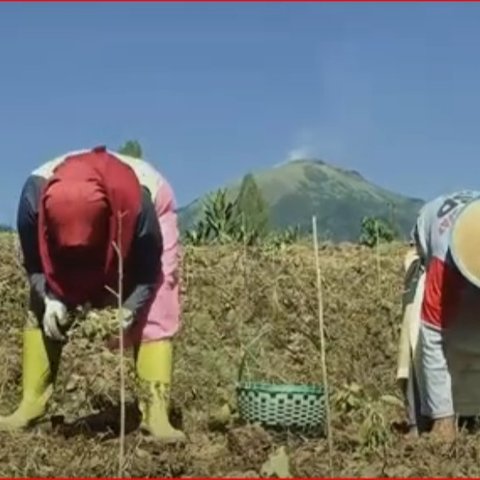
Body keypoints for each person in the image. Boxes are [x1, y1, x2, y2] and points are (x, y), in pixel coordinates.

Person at [0, 146, 185, 442]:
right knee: (40, 303)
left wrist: (128, 310)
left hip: (137, 212)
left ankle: (156, 414)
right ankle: (30, 407)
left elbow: (149, 273)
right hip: (74, 231)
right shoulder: (33, 200)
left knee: (159, 301)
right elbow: (35, 264)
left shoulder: (140, 205)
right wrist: (49, 298)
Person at [397, 190, 480, 441]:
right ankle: (422, 418)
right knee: (416, 333)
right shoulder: (445, 268)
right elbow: (433, 338)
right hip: (431, 242)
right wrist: (443, 417)